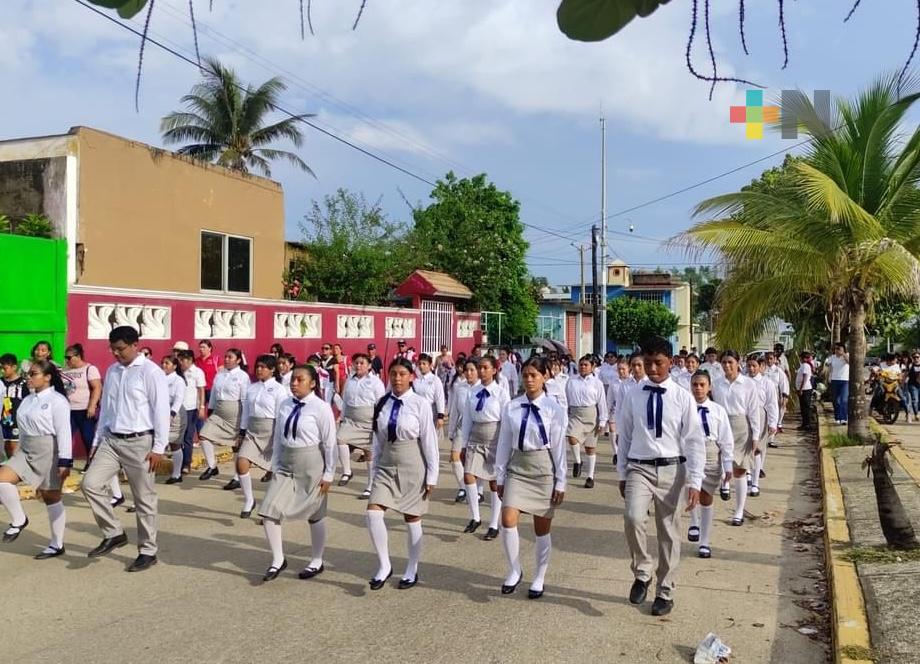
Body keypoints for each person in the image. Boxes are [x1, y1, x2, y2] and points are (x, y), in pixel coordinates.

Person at [616, 336, 704, 616]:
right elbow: (625, 435)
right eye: (648, 363)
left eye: (659, 363)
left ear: (670, 362)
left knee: (668, 531)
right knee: (632, 517)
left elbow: (693, 440)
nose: (653, 369)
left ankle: (665, 591)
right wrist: (621, 472)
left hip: (671, 469)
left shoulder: (682, 397)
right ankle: (643, 571)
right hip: (639, 467)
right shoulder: (633, 395)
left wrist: (695, 480)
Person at [82, 326, 169, 572]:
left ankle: (148, 550)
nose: (116, 354)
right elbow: (106, 409)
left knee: (144, 499)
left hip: (140, 442)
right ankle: (114, 533)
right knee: (90, 484)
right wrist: (97, 441)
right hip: (111, 440)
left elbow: (160, 410)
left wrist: (159, 448)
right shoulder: (112, 371)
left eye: (120, 349)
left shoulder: (151, 372)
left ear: (135, 345)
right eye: (113, 349)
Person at [494, 356, 567, 599]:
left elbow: (558, 447)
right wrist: (500, 475)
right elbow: (504, 442)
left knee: (541, 528)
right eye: (525, 375)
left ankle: (539, 577)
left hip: (543, 467)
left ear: (545, 376)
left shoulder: (553, 409)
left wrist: (561, 480)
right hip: (519, 466)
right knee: (507, 518)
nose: (529, 380)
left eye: (534, 375)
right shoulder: (512, 407)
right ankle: (514, 569)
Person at [365, 358, 439, 590]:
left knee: (411, 518)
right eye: (393, 373)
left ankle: (411, 569)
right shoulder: (382, 403)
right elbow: (377, 440)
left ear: (411, 377)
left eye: (402, 374)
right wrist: (374, 469)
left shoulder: (420, 404)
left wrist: (432, 475)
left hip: (412, 464)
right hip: (387, 464)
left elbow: (429, 440)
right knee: (373, 513)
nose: (397, 378)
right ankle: (384, 565)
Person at [259, 364, 337, 582]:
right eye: (293, 379)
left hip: (311, 463)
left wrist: (329, 473)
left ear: (312, 383)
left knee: (315, 513)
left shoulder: (321, 408)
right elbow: (278, 436)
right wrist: (274, 464)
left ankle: (317, 560)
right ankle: (278, 560)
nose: (294, 383)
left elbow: (330, 443)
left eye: (300, 380)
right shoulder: (284, 404)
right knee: (269, 509)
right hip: (286, 463)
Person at [0, 360, 72, 558]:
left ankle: (57, 544)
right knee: (1, 479)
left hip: (49, 450)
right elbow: (22, 427)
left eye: (33, 374)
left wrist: (65, 461)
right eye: (28, 374)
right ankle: (19, 520)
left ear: (47, 377)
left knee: (50, 496)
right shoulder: (28, 399)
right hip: (26, 448)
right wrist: (18, 450)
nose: (28, 378)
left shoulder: (58, 401)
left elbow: (64, 432)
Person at [711, 350, 763, 527]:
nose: (727, 366)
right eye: (724, 362)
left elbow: (753, 411)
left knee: (740, 469)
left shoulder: (748, 384)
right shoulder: (717, 384)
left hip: (741, 427)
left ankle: (739, 511)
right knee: (719, 464)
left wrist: (755, 436)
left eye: (730, 362)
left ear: (738, 363)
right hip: (721, 425)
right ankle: (724, 484)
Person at [460, 356, 510, 539]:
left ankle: (494, 524)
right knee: (468, 475)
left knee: (494, 481)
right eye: (479, 368)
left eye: (485, 368)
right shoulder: (472, 392)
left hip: (495, 436)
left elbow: (506, 420)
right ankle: (475, 517)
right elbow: (466, 419)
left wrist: (506, 445)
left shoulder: (501, 393)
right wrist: (463, 444)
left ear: (494, 370)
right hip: (475, 435)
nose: (481, 371)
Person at [687, 370, 733, 558]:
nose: (698, 388)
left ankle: (704, 541)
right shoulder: (685, 408)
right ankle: (693, 522)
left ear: (709, 387)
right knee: (689, 491)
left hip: (710, 452)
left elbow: (725, 438)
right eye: (695, 385)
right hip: (689, 451)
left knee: (706, 497)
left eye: (702, 385)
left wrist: (727, 463)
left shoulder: (717, 410)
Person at [235, 355, 287, 517]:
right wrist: (242, 432)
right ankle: (249, 500)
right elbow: (246, 413)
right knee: (241, 462)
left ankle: (273, 506)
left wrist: (281, 437)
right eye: (258, 366)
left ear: (272, 369)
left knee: (277, 471)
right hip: (253, 430)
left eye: (263, 367)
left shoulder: (279, 389)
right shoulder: (252, 388)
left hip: (272, 431)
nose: (259, 370)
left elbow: (281, 414)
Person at [336, 353, 385, 497]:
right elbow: (345, 401)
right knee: (340, 438)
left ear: (369, 365)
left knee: (369, 453)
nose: (358, 365)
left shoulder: (375, 382)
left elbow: (380, 403)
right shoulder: (350, 381)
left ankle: (370, 486)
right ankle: (347, 471)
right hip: (351, 419)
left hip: (369, 421)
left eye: (362, 363)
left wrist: (379, 422)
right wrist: (342, 416)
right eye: (356, 363)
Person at [198, 348, 249, 482]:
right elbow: (214, 393)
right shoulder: (219, 374)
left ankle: (237, 477)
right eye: (225, 357)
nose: (226, 359)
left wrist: (244, 424)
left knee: (235, 445)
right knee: (204, 434)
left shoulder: (243, 376)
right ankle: (212, 466)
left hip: (235, 413)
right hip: (219, 411)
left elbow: (245, 400)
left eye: (230, 357)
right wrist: (210, 409)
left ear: (238, 360)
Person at [564, 354, 608, 488]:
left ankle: (590, 476)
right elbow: (566, 399)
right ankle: (577, 461)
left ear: (592, 367)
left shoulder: (597, 383)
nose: (583, 367)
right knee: (571, 437)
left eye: (586, 365)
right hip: (575, 414)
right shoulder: (571, 381)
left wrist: (602, 421)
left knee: (590, 447)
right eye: (581, 364)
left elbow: (601, 403)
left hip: (590, 414)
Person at [60, 344, 103, 466]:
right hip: (68, 409)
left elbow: (97, 388)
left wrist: (92, 405)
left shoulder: (89, 369)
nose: (67, 360)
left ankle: (92, 463)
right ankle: (65, 462)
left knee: (88, 438)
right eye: (65, 358)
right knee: (65, 437)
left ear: (78, 356)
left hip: (84, 409)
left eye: (69, 357)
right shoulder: (64, 370)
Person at [447, 358, 479, 503]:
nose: (469, 373)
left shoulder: (483, 389)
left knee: (475, 460)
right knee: (455, 457)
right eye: (467, 370)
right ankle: (463, 488)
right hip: (461, 426)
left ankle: (478, 491)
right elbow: (454, 410)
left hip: (477, 427)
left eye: (472, 370)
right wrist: (451, 430)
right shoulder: (460, 388)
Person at [746, 355, 778, 496]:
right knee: (745, 448)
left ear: (760, 367)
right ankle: (747, 474)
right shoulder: (743, 381)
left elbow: (772, 404)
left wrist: (773, 423)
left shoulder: (767, 383)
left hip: (760, 415)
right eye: (749, 366)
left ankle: (755, 482)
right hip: (745, 415)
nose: (751, 369)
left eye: (754, 366)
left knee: (757, 448)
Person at [175, 350, 206, 477]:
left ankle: (186, 463)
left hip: (191, 408)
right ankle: (179, 461)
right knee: (177, 436)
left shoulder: (197, 372)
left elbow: (201, 390)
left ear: (190, 360)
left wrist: (202, 406)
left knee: (188, 436)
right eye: (179, 360)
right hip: (178, 408)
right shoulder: (178, 372)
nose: (180, 363)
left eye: (183, 360)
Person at [160, 355, 187, 485]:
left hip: (175, 414)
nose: (164, 365)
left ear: (175, 366)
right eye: (163, 363)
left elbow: (178, 399)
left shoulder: (178, 380)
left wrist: (171, 415)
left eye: (167, 363)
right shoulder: (159, 378)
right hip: (160, 413)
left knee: (175, 443)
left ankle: (177, 474)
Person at [1, 354, 29, 460]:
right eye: (1, 368)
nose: (2, 371)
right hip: (2, 421)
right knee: (5, 447)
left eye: (5, 368)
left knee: (14, 448)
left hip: (17, 421)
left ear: (14, 367)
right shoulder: (0, 382)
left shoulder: (24, 383)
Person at [764, 352, 790, 441]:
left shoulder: (778, 371)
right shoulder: (762, 370)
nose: (769, 360)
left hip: (775, 395)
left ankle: (771, 439)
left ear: (775, 359)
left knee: (773, 415)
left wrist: (784, 396)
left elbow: (784, 384)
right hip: (763, 396)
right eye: (767, 358)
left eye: (771, 358)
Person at [825, 343, 850, 425]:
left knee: (844, 399)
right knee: (836, 400)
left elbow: (849, 362)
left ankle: (843, 418)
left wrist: (843, 355)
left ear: (843, 349)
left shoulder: (846, 356)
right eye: (836, 349)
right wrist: (828, 377)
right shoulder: (832, 357)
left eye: (839, 349)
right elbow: (829, 367)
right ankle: (837, 417)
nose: (837, 350)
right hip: (834, 380)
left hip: (845, 380)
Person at [195, 340, 221, 406]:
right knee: (200, 410)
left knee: (212, 411)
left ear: (210, 348)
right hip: (200, 389)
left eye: (203, 347)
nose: (201, 349)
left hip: (212, 389)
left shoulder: (216, 359)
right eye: (200, 347)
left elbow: (222, 374)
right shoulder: (196, 361)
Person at [795, 351, 815, 431]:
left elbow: (805, 378)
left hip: (805, 389)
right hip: (802, 389)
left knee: (806, 407)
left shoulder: (806, 366)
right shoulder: (803, 366)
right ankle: (804, 423)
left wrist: (801, 389)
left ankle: (807, 424)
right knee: (803, 407)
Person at [907, 351, 920, 424]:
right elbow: (906, 374)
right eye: (914, 357)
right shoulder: (910, 365)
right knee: (915, 400)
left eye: (917, 357)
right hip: (912, 385)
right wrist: (902, 383)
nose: (916, 359)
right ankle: (916, 414)